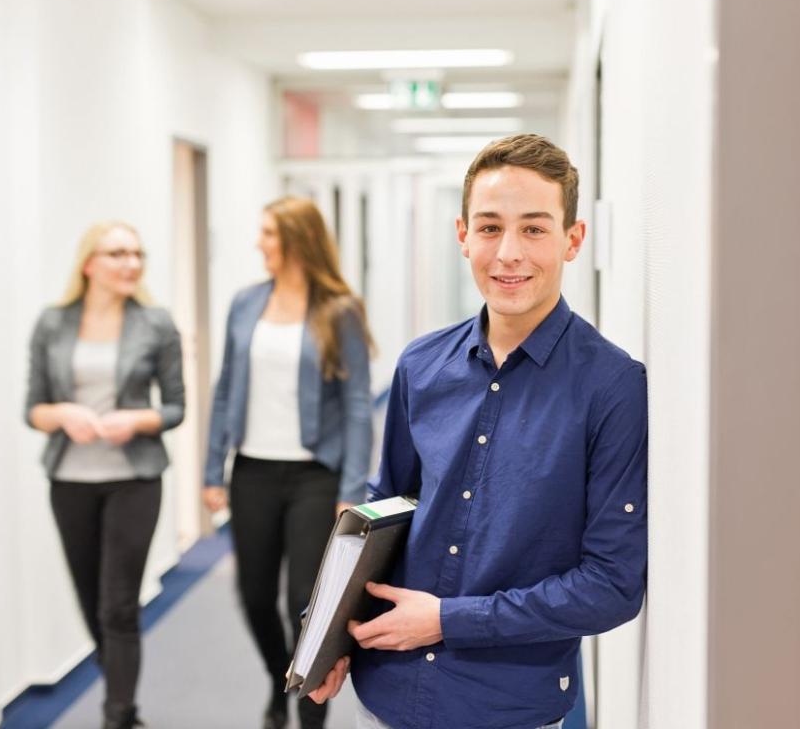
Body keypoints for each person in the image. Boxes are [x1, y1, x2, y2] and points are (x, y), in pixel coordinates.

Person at [308, 134, 649, 729]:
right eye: (490, 227)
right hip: (387, 689)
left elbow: (611, 586)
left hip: (507, 705)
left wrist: (448, 619)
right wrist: (332, 637)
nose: (509, 253)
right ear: (463, 235)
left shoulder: (612, 385)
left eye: (535, 229)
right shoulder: (420, 365)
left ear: (573, 240)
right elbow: (385, 512)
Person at [202, 196, 374, 729]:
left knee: (303, 601)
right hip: (251, 469)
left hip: (313, 477)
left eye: (269, 235)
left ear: (298, 240)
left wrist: (351, 486)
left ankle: (308, 714)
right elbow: (227, 387)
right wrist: (212, 470)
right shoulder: (245, 302)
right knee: (253, 596)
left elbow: (357, 405)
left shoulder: (338, 309)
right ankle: (282, 677)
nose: (260, 244)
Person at [24, 221, 185, 729]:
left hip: (134, 478)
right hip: (69, 480)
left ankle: (118, 714)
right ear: (89, 263)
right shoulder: (53, 323)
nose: (130, 263)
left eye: (137, 253)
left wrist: (134, 419)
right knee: (91, 601)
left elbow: (175, 406)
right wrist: (65, 415)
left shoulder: (156, 324)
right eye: (117, 253)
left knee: (118, 604)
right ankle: (118, 681)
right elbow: (33, 408)